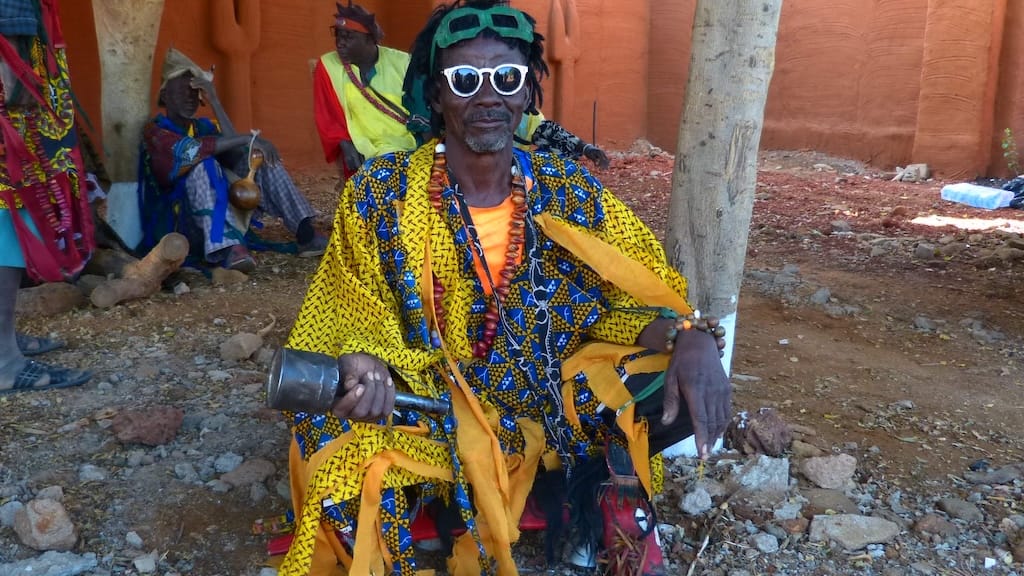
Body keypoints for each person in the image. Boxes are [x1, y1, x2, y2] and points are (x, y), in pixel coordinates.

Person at [279, 2, 730, 575]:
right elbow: (348, 302)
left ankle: (597, 508)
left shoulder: (567, 188)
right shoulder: (383, 191)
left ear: (525, 94)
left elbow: (632, 290)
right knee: (329, 419)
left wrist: (692, 336)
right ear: (436, 96)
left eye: (506, 79)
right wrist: (365, 360)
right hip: (429, 395)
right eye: (465, 80)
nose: (487, 97)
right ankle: (387, 544)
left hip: (547, 387)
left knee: (672, 373)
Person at [139, 48, 327, 273]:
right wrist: (250, 137)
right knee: (203, 165)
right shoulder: (156, 132)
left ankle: (305, 233)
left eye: (194, 92)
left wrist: (215, 101)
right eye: (182, 92)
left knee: (258, 158)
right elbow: (191, 151)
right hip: (178, 224)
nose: (190, 99)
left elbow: (235, 148)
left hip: (218, 213)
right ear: (165, 96)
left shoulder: (203, 127)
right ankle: (227, 248)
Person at [1, 0, 92, 395]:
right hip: (10, 58)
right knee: (9, 207)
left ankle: (4, 339)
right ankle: (3, 361)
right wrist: (15, 78)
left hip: (17, 50)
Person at [312, 1, 417, 180]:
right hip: (363, 152)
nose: (340, 43)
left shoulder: (403, 62)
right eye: (338, 35)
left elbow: (422, 108)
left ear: (369, 39)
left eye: (348, 37)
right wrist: (344, 144)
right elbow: (327, 116)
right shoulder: (328, 66)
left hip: (409, 146)